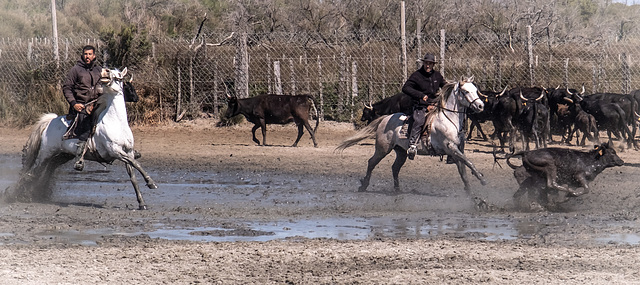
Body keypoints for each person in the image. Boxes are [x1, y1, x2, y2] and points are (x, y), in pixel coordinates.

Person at [62, 45, 103, 171]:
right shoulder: (76, 70)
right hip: (81, 106)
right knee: (86, 123)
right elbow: (67, 88)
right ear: (82, 55)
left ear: (94, 55)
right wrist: (74, 103)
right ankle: (79, 158)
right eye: (85, 54)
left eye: (90, 54)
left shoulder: (99, 70)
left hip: (96, 104)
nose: (87, 56)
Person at [402, 53, 446, 160]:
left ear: (433, 65)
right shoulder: (417, 75)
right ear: (423, 63)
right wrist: (420, 95)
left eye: (430, 64)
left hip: (434, 104)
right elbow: (406, 88)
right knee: (419, 120)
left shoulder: (437, 76)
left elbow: (444, 86)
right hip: (420, 105)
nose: (428, 66)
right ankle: (412, 145)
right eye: (426, 63)